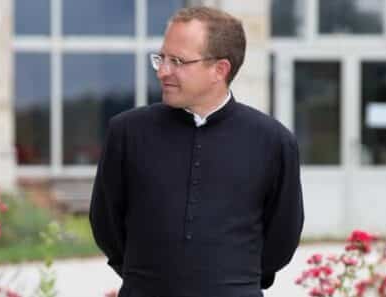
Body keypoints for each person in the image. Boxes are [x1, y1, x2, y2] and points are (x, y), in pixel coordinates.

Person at [89, 6, 304, 297]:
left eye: (177, 61)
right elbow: (106, 224)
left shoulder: (273, 141)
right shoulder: (127, 132)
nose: (163, 70)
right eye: (161, 58)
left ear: (220, 69)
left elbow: (281, 238)